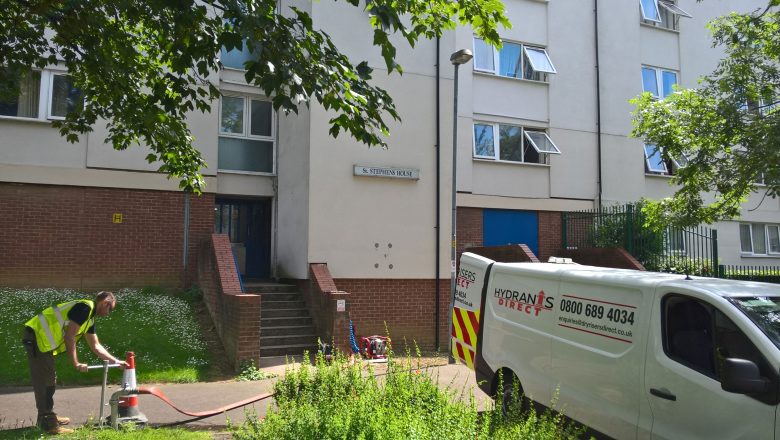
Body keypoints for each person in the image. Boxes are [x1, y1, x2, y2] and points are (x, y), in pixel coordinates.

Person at [22, 291, 128, 434]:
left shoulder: (89, 318)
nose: (109, 313)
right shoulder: (84, 309)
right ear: (105, 303)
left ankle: (48, 416)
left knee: (50, 379)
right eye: (111, 308)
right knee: (45, 381)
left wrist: (115, 361)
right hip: (36, 337)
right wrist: (76, 363)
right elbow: (69, 336)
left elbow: (96, 346)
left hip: (42, 341)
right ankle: (48, 424)